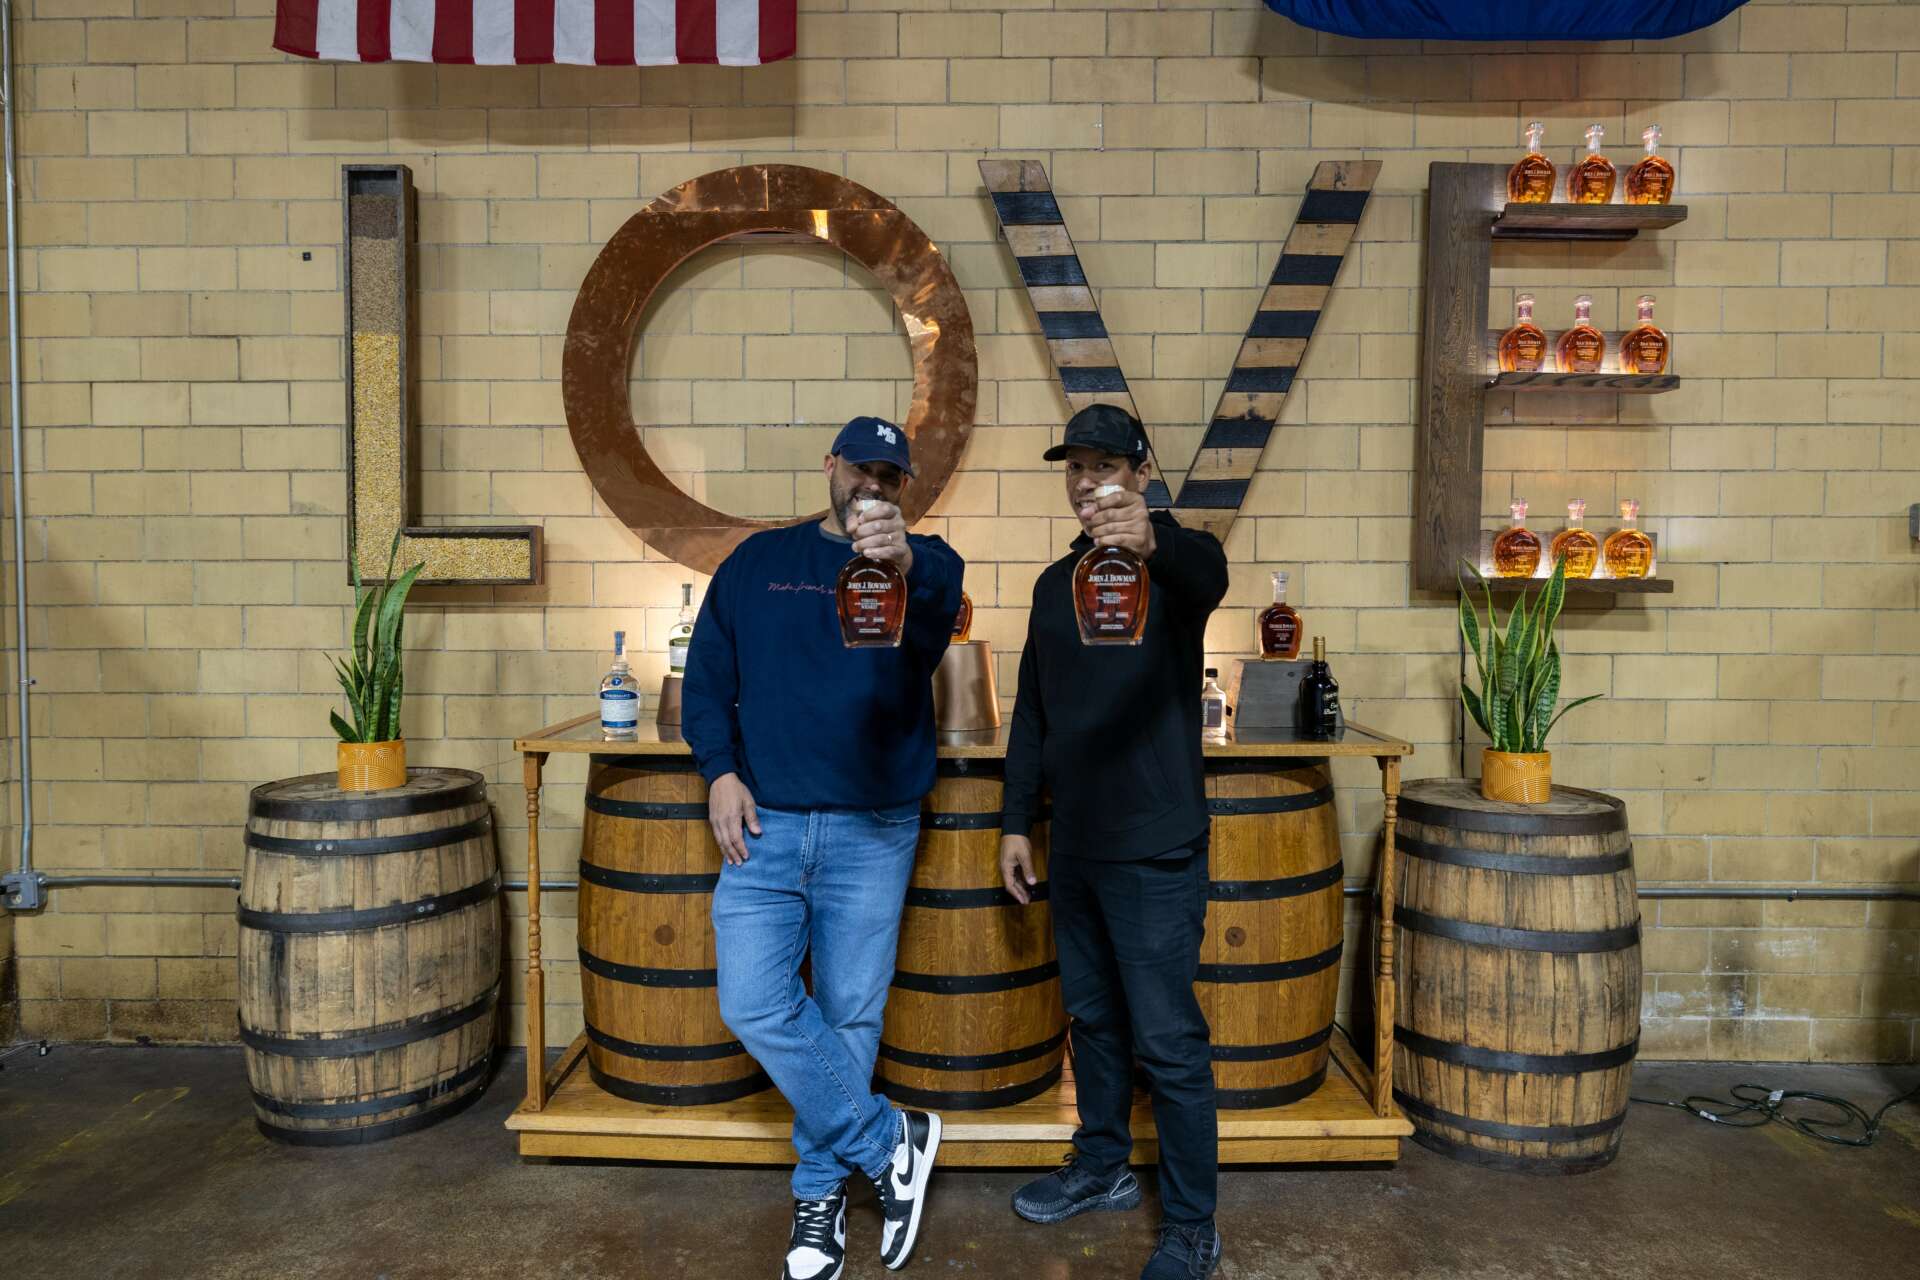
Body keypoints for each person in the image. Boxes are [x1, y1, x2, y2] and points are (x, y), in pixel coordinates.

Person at [683, 415, 965, 1280]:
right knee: (754, 1003)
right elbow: (707, 679)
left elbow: (935, 610)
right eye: (860, 470)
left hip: (872, 828)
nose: (871, 488)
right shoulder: (757, 562)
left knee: (848, 1018)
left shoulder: (926, 565)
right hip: (763, 827)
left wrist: (902, 560)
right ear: (830, 466)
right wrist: (719, 772)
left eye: (889, 477)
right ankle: (889, 1142)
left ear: (904, 489)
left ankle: (818, 1202)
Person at [996, 403, 1230, 1280]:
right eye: (1075, 466)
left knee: (1167, 1042)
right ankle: (1102, 1166)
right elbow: (1033, 709)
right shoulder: (1057, 583)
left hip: (1156, 848)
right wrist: (1017, 821)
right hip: (1078, 844)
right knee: (1092, 1020)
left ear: (1139, 473)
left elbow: (1209, 573)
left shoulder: (1175, 564)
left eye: (1104, 465)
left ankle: (1193, 1225)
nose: (1088, 481)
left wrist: (1153, 540)